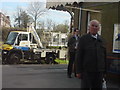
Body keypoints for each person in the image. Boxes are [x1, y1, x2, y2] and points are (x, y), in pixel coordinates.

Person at [75, 20, 107, 89]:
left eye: (96, 26)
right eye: (92, 25)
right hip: (87, 71)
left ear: (98, 28)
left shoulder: (101, 40)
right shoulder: (83, 39)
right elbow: (79, 56)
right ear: (89, 27)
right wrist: (78, 71)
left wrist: (104, 72)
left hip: (99, 72)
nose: (94, 27)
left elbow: (104, 56)